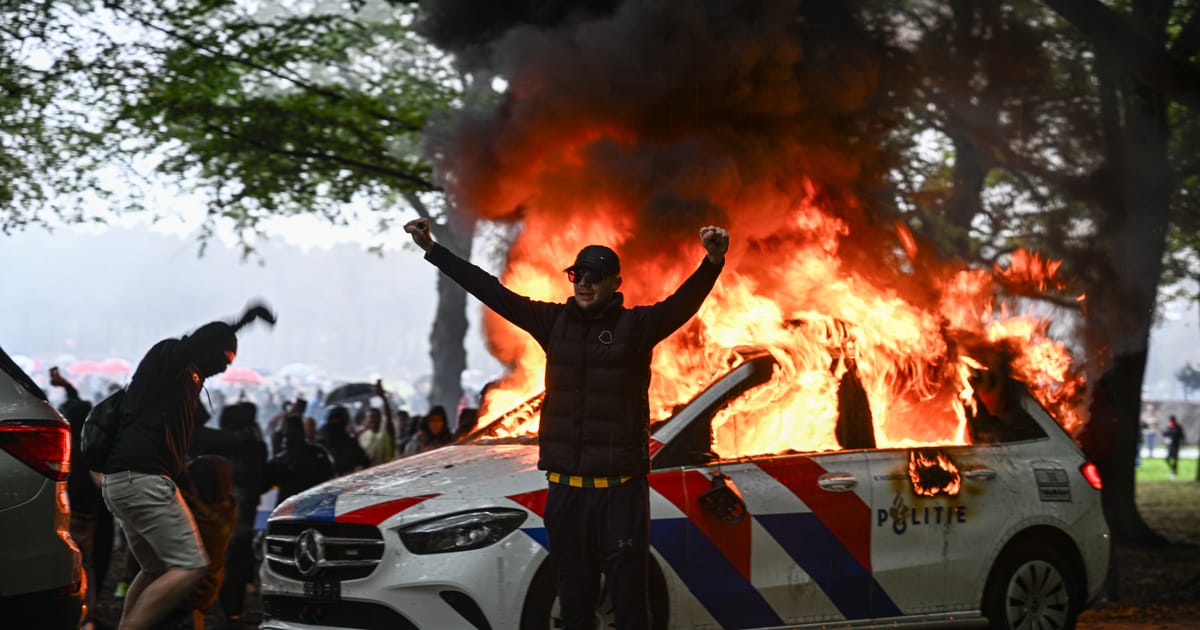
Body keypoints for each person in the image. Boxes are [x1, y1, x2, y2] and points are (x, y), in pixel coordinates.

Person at [405, 217, 728, 628]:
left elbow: (682, 304)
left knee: (630, 607)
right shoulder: (552, 322)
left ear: (614, 282)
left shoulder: (637, 326)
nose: (584, 283)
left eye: (595, 276)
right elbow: (491, 291)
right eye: (577, 275)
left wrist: (712, 262)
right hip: (566, 495)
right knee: (574, 608)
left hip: (620, 496)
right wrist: (433, 250)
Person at [99, 301, 276, 630]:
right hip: (142, 478)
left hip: (130, 480)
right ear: (209, 347)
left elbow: (189, 441)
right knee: (191, 567)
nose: (225, 369)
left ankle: (129, 622)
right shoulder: (170, 358)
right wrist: (240, 322)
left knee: (155, 570)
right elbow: (195, 343)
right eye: (225, 358)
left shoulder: (183, 385)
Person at [49, 367, 114, 630]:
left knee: (65, 569)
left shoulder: (61, 448)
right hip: (88, 519)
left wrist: (65, 385)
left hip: (62, 516)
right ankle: (86, 617)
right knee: (86, 566)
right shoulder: (92, 450)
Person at [265, 413, 336, 507]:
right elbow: (330, 473)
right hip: (314, 505)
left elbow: (264, 485)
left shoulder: (280, 459)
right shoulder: (318, 452)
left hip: (286, 508)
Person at [317, 404, 371, 475]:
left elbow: (364, 461)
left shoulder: (349, 441)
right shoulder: (322, 443)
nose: (336, 423)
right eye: (334, 420)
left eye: (339, 420)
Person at [357, 380, 397, 465]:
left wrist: (383, 398)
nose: (373, 419)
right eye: (370, 417)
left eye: (376, 417)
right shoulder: (362, 437)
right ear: (366, 420)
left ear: (380, 419)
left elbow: (389, 418)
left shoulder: (385, 433)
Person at [1163, 415, 1185, 480]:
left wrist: (1182, 445)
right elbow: (1166, 434)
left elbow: (1182, 436)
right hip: (1170, 446)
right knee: (1167, 459)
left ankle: (1174, 473)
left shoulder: (1178, 427)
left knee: (1175, 460)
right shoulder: (1169, 427)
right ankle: (1173, 470)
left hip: (1176, 446)